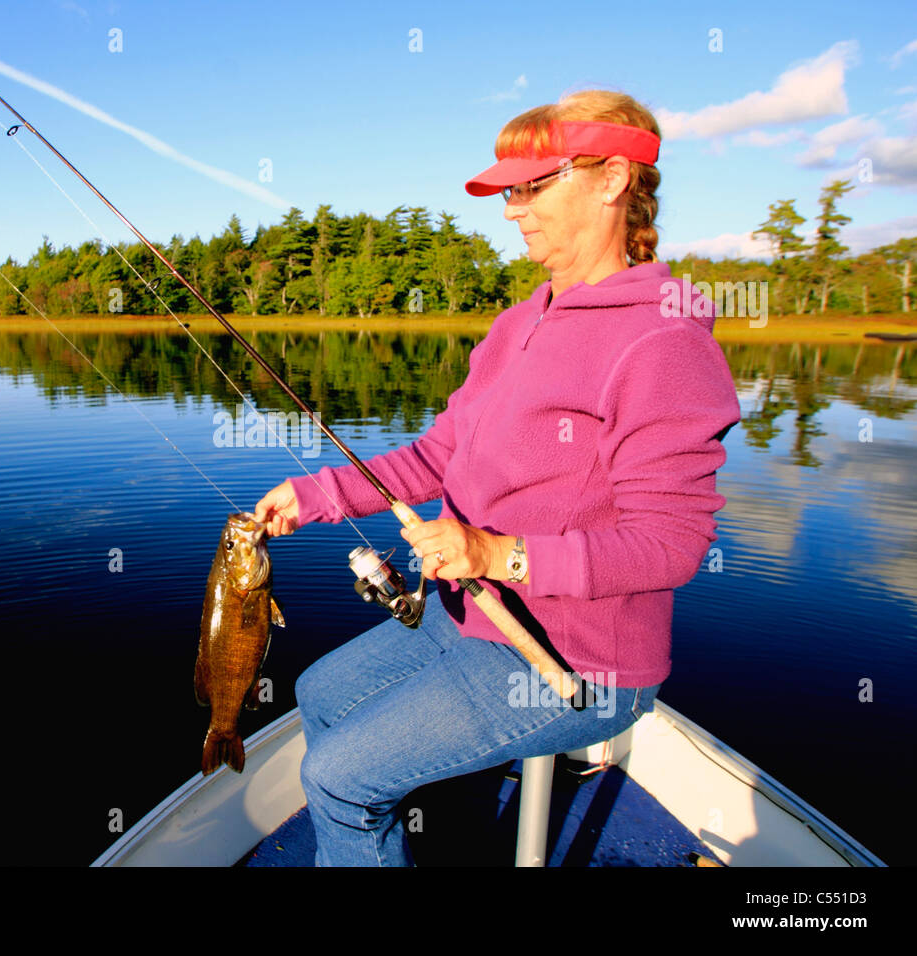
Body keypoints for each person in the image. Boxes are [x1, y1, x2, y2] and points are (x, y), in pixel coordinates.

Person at [253, 90, 741, 867]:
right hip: (467, 617)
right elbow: (438, 455)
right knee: (318, 695)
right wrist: (313, 495)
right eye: (507, 190)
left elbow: (671, 543)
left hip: (575, 658)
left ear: (614, 177)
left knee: (338, 779)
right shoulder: (521, 321)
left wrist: (493, 553)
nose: (512, 209)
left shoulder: (665, 342)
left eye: (532, 185)